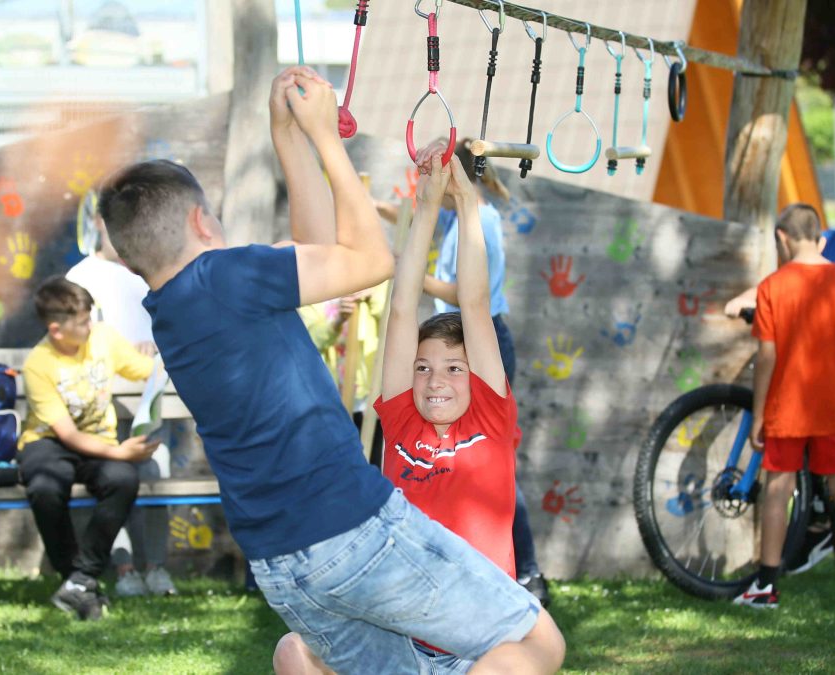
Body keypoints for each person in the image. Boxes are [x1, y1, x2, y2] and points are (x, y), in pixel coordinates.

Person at [99, 66, 564, 673]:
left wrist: (284, 136)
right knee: (538, 643)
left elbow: (320, 248)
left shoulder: (174, 312)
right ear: (200, 222)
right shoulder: (227, 276)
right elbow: (369, 260)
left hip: (283, 566)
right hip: (352, 528)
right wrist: (324, 138)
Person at [376, 138, 550, 605]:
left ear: (475, 377)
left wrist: (468, 203)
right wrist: (426, 204)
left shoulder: (488, 419)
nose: (435, 380)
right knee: (294, 652)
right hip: (411, 613)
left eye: (454, 368)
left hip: (481, 616)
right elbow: (401, 310)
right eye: (423, 368)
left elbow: (475, 305)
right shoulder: (401, 422)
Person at [725, 178, 835, 574]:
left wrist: (758, 416)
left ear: (783, 239)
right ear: (823, 240)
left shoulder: (773, 286)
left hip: (789, 406)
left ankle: (767, 582)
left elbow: (766, 357)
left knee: (777, 488)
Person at [18, 276, 157, 620]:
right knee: (45, 487)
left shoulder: (103, 338)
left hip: (99, 441)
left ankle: (81, 580)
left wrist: (158, 353)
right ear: (56, 329)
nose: (90, 325)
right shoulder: (38, 363)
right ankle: (77, 582)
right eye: (82, 321)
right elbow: (67, 435)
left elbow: (146, 370)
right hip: (48, 443)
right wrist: (122, 452)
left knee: (123, 480)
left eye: (89, 316)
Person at [66, 203, 176, 597]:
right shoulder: (80, 276)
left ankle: (157, 567)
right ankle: (124, 568)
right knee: (115, 485)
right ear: (98, 223)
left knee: (156, 479)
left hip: (150, 399)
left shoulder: (150, 272)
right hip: (103, 408)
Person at [298, 282, 386, 463]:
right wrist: (337, 320)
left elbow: (392, 320)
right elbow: (311, 340)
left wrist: (373, 297)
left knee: (370, 460)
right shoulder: (311, 287)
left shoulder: (375, 278)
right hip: (328, 394)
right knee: (333, 463)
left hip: (367, 394)